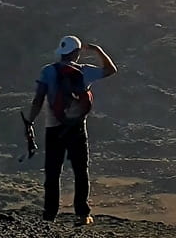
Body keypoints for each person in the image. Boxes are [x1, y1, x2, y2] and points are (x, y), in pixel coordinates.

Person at [26, 35, 117, 225]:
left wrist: (30, 121)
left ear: (60, 53)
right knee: (80, 171)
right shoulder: (84, 72)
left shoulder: (47, 72)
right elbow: (111, 70)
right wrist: (97, 50)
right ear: (76, 53)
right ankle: (83, 214)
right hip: (77, 128)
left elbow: (38, 100)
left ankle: (49, 215)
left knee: (52, 173)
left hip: (54, 129)